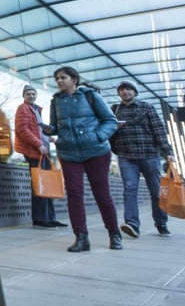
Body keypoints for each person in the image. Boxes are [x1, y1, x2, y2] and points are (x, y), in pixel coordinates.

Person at [49, 66, 122, 253]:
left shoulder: (90, 96)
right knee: (74, 195)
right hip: (69, 153)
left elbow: (110, 120)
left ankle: (114, 234)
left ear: (74, 80)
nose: (59, 81)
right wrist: (49, 130)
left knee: (102, 194)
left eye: (63, 77)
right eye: (57, 78)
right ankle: (81, 238)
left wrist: (97, 137)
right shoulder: (56, 101)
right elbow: (55, 126)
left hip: (96, 151)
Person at [110, 81, 174, 238]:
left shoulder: (147, 107)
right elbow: (109, 131)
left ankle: (161, 223)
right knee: (129, 190)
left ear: (135, 92)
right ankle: (132, 224)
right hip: (126, 157)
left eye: (128, 89)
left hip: (149, 155)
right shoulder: (114, 110)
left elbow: (158, 129)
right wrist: (115, 149)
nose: (125, 92)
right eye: (122, 90)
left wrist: (168, 152)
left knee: (156, 192)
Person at [15, 85, 65, 228]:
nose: (31, 96)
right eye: (28, 94)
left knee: (46, 184)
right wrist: (38, 144)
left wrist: (47, 138)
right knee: (39, 185)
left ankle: (49, 217)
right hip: (34, 152)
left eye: (33, 94)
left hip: (43, 151)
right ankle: (40, 219)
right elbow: (22, 130)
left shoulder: (36, 109)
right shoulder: (22, 108)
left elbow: (36, 130)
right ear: (24, 96)